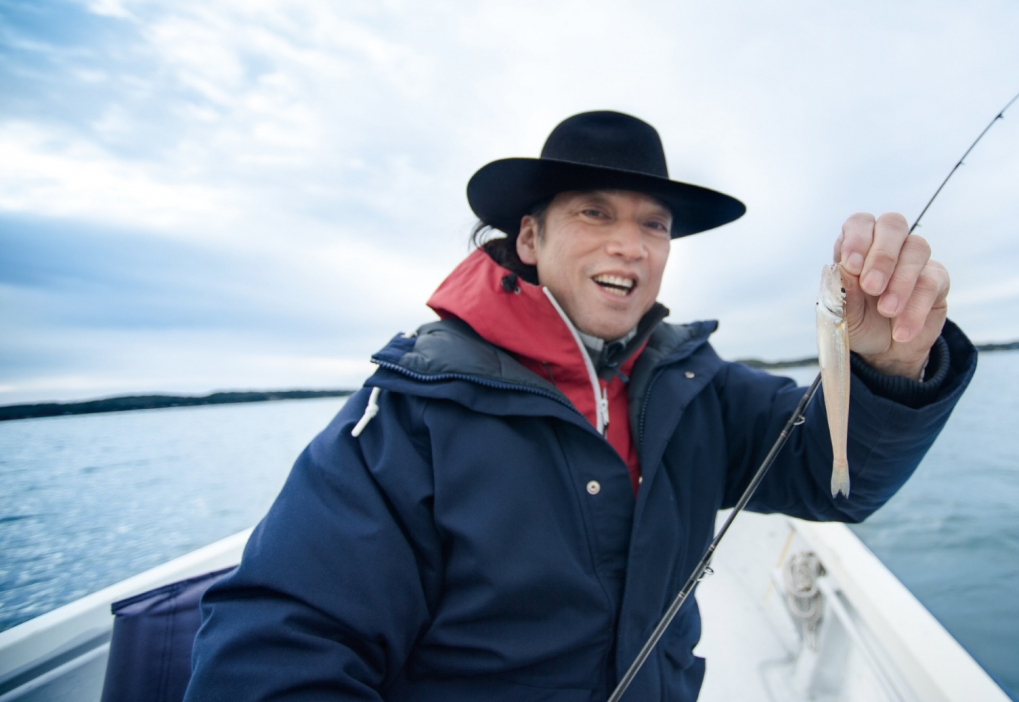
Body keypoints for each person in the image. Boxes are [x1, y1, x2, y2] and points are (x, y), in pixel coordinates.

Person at [185, 111, 977, 702]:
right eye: (594, 212)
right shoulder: (410, 412)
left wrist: (891, 361)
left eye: (653, 224)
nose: (629, 244)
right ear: (528, 237)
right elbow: (279, 644)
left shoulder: (697, 385)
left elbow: (837, 478)